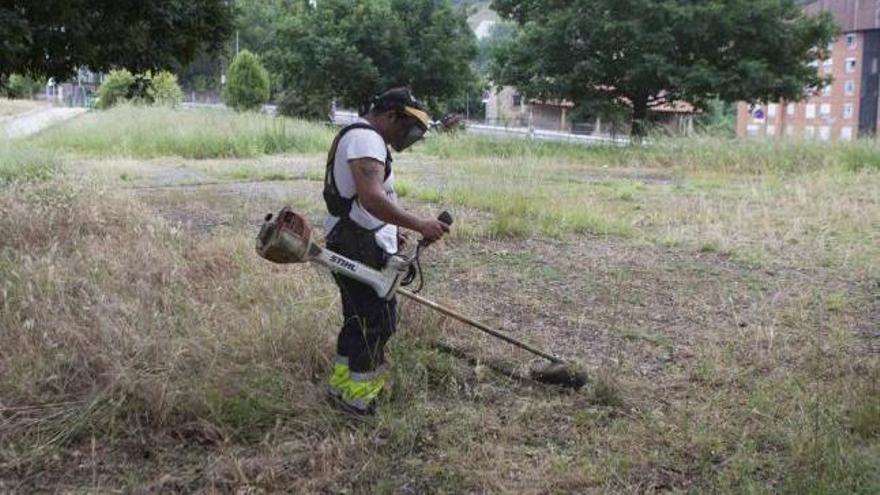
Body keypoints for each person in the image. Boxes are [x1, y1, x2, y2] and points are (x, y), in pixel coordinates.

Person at [323, 87, 449, 414]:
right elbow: (372, 199)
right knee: (375, 322)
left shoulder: (363, 137)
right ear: (391, 115)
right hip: (357, 243)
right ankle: (360, 399)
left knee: (357, 319)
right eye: (408, 127)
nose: (410, 136)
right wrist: (420, 224)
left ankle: (341, 387)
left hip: (357, 239)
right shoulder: (367, 139)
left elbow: (369, 204)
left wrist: (391, 231)